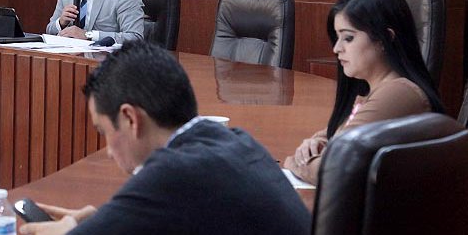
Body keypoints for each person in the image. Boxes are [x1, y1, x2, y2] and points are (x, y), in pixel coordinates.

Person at [20, 41, 311, 235]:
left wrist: (72, 230)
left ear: (131, 119)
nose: (108, 150)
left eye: (104, 131)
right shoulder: (234, 141)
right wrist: (107, 220)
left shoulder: (175, 172)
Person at [283, 0, 445, 184]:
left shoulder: (398, 94)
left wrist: (294, 163)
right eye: (337, 37)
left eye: (348, 38)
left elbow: (335, 169)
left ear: (385, 39)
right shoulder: (373, 91)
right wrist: (316, 142)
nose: (336, 48)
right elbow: (339, 134)